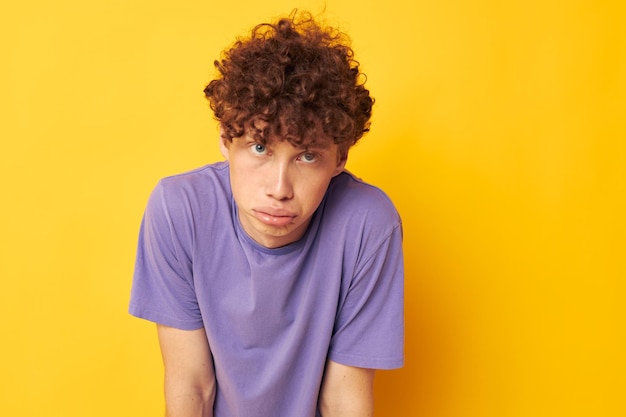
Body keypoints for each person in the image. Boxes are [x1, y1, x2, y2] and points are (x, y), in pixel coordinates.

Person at [129, 11, 404, 417]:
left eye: (307, 156)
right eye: (260, 148)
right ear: (226, 138)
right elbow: (192, 386)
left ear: (340, 157)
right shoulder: (179, 210)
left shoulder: (368, 224)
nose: (279, 188)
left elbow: (343, 398)